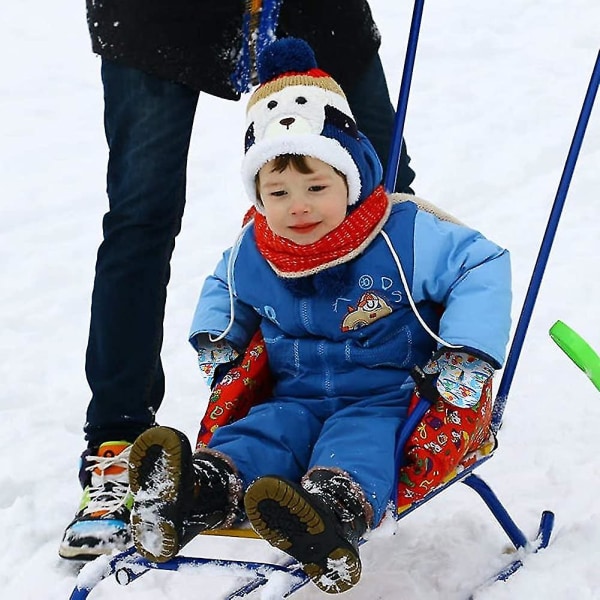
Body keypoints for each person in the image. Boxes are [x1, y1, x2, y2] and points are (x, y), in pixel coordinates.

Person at [126, 37, 512, 594]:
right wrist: (220, 336)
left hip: (384, 395)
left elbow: (482, 264)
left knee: (358, 447)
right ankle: (195, 493)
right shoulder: (255, 248)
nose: (298, 206)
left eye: (316, 186)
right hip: (294, 393)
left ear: (351, 180)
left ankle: (328, 516)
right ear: (258, 194)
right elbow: (223, 286)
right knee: (259, 436)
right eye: (277, 191)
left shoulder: (401, 232)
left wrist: (467, 348)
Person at [58, 0, 418, 561]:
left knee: (380, 186)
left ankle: (386, 399)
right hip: (154, 19)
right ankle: (117, 442)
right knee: (140, 214)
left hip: (311, 8)